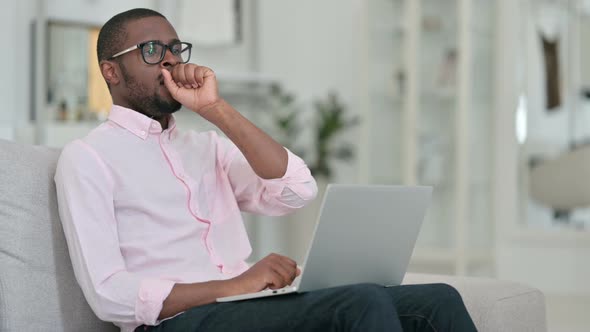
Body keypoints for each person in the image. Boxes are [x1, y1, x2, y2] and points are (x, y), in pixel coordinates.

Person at [54, 8, 477, 332]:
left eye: (175, 49)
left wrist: (216, 110)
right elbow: (109, 293)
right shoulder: (88, 158)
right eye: (151, 51)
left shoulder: (209, 146)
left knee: (439, 300)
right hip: (177, 323)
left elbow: (296, 189)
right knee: (362, 303)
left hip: (245, 307)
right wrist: (236, 286)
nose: (170, 63)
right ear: (111, 71)